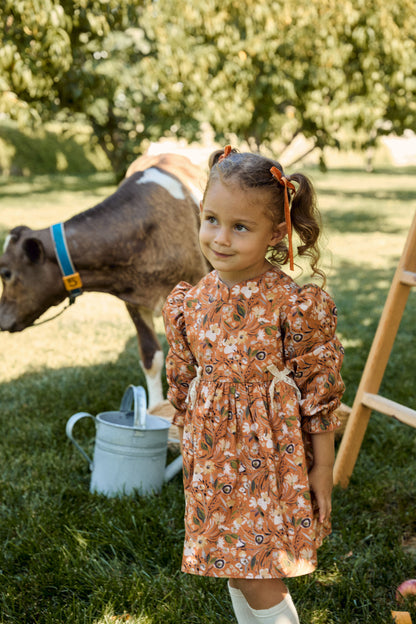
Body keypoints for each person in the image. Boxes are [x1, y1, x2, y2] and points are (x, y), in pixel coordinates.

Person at [162, 146, 345, 624]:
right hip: (215, 457)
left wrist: (323, 466)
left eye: (240, 226)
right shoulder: (192, 301)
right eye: (211, 219)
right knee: (233, 563)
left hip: (269, 457)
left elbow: (317, 388)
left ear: (275, 233)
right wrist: (190, 434)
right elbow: (185, 377)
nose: (220, 238)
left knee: (259, 569)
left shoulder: (291, 304)